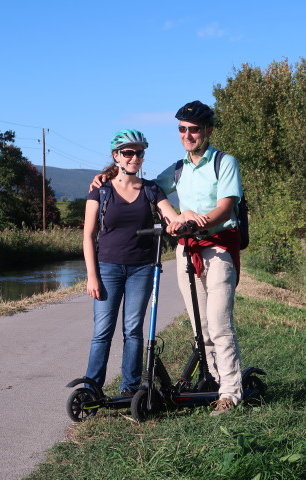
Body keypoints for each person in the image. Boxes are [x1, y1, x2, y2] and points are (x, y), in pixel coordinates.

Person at [90, 101, 244, 415]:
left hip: (218, 248)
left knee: (218, 323)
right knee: (199, 327)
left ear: (208, 131)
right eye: (182, 129)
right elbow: (141, 184)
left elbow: (226, 208)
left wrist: (197, 220)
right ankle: (212, 380)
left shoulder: (224, 163)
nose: (188, 135)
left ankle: (229, 393)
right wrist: (105, 175)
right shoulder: (178, 169)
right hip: (188, 252)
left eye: (194, 129)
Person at [83, 129, 181, 397]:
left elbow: (171, 217)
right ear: (116, 156)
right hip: (107, 268)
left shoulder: (151, 189)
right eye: (128, 152)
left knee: (133, 330)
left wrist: (189, 218)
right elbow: (88, 235)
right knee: (102, 331)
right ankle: (91, 389)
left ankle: (130, 389)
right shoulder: (100, 190)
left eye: (139, 152)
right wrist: (92, 275)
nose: (134, 157)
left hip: (142, 269)